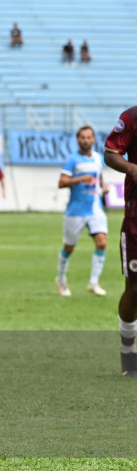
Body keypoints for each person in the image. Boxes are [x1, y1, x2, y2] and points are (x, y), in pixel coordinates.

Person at [104, 106, 137, 377]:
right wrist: (132, 168)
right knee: (135, 288)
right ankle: (128, 352)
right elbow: (111, 154)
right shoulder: (132, 117)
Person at [56, 125, 107, 297]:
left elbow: (99, 176)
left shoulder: (99, 158)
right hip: (76, 211)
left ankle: (94, 282)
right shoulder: (73, 160)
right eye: (82, 137)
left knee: (102, 242)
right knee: (69, 247)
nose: (86, 140)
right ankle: (61, 278)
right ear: (78, 140)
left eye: (88, 137)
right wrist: (80, 179)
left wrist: (103, 187)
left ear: (93, 139)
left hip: (95, 209)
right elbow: (61, 183)